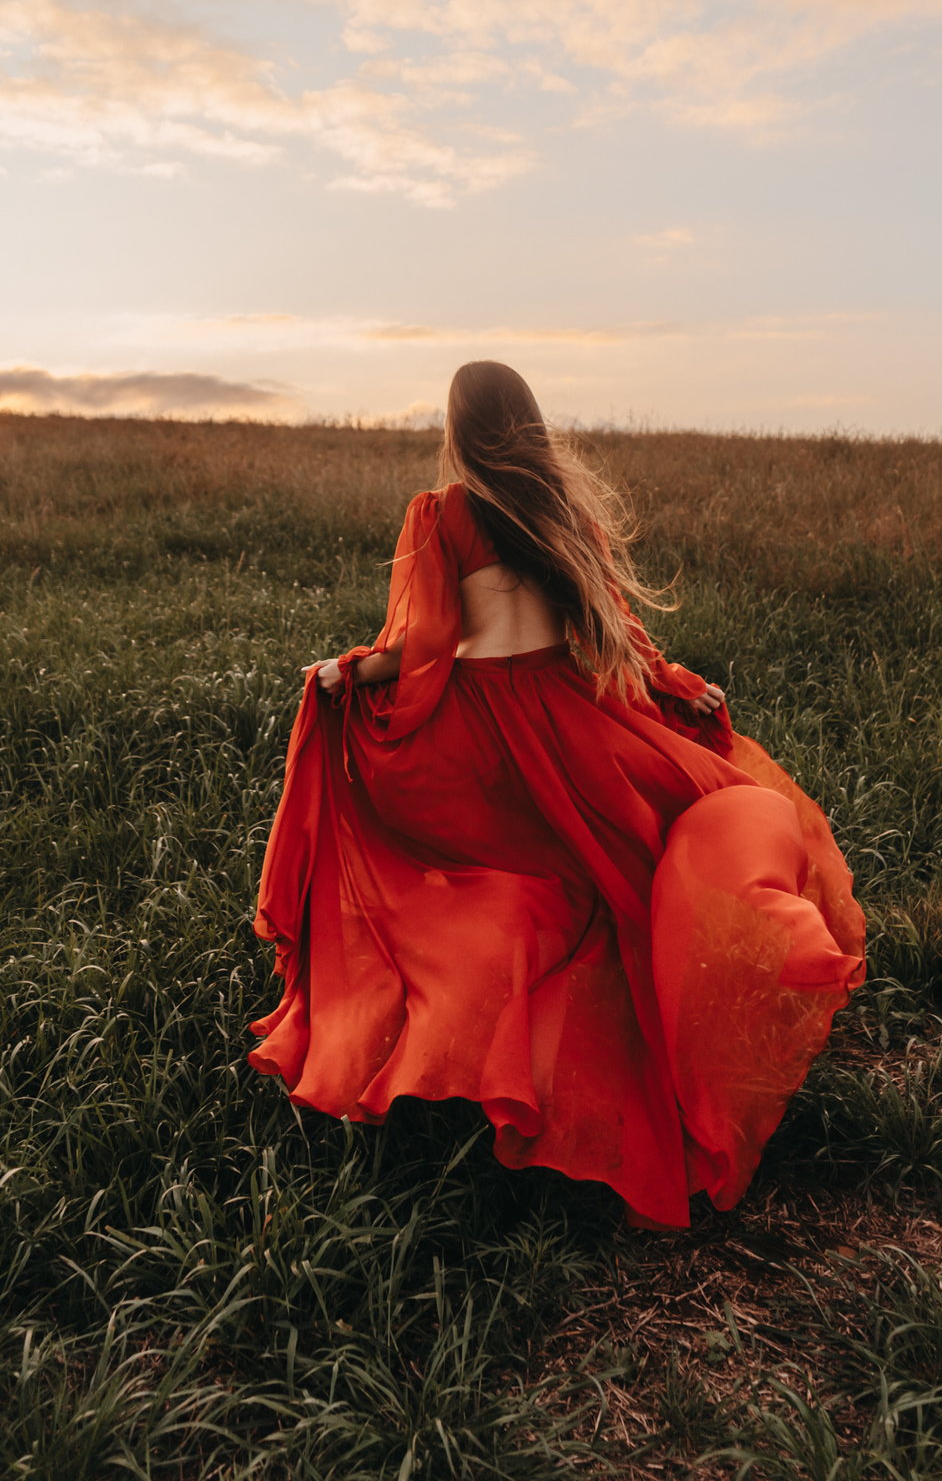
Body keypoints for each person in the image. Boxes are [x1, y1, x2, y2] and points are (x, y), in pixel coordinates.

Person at [249, 361, 865, 1229]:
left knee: (479, 887)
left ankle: (499, 1070)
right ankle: (639, 1057)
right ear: (531, 424)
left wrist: (347, 671)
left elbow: (428, 647)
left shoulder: (445, 514)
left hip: (476, 737)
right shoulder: (561, 515)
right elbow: (610, 631)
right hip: (574, 723)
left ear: (459, 432)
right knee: (619, 886)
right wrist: (670, 686)